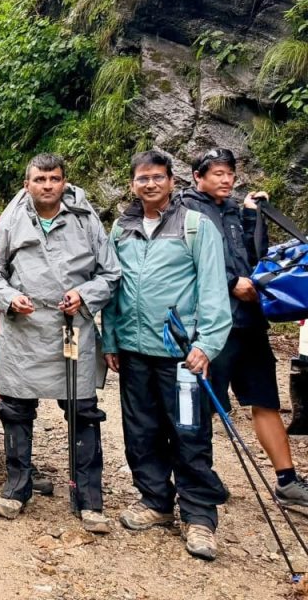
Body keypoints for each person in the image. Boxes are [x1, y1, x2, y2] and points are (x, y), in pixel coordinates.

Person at [102, 150, 231, 561]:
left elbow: (214, 288)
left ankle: (199, 515)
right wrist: (110, 339)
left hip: (182, 354)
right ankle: (155, 499)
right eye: (143, 178)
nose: (151, 184)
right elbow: (113, 287)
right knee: (141, 430)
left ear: (173, 182)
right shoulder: (122, 229)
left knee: (189, 431)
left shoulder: (195, 226)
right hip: (134, 350)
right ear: (132, 185)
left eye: (158, 177)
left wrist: (206, 344)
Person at [0, 154, 120, 532]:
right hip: (23, 330)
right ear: (27, 184)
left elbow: (110, 274)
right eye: (40, 179)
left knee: (83, 412)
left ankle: (88, 498)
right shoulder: (11, 220)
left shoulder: (86, 219)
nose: (47, 185)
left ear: (64, 182)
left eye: (54, 179)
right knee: (15, 409)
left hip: (70, 327)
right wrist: (10, 297)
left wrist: (85, 295)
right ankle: (17, 487)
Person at [180, 148, 308, 504]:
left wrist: (253, 217)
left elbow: (256, 258)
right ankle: (199, 478)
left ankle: (287, 481)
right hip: (212, 326)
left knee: (265, 399)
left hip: (250, 322)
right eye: (218, 173)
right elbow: (183, 263)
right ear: (198, 176)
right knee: (204, 406)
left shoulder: (235, 210)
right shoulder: (184, 211)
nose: (226, 180)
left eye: (230, 174)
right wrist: (230, 282)